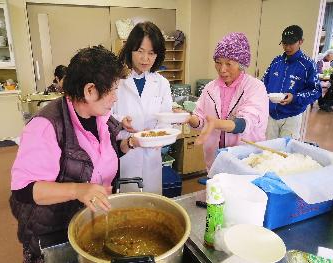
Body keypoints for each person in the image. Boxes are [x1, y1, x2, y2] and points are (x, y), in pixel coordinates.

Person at [9, 46, 137, 262]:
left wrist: (130, 143)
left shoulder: (101, 116)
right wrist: (79, 190)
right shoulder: (46, 125)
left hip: (86, 219)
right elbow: (23, 190)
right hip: (51, 230)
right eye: (113, 90)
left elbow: (101, 156)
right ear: (89, 91)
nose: (116, 97)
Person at [187, 32, 269, 171]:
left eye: (228, 64)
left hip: (246, 160)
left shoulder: (255, 87)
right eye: (218, 62)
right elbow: (201, 119)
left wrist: (216, 123)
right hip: (215, 160)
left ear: (241, 64)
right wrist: (189, 118)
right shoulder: (210, 88)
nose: (222, 69)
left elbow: (246, 121)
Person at [112, 21, 173, 194]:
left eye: (151, 53)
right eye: (140, 51)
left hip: (151, 155)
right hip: (124, 154)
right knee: (125, 208)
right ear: (130, 49)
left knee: (151, 206)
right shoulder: (116, 80)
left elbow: (166, 120)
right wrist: (121, 121)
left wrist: (155, 135)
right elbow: (105, 116)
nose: (145, 59)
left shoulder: (162, 83)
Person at [262, 25, 321, 140]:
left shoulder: (308, 65)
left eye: (291, 44)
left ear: (301, 41)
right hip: (271, 115)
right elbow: (263, 82)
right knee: (267, 151)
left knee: (286, 152)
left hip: (292, 116)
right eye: (284, 43)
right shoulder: (276, 61)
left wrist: (294, 97)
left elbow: (315, 91)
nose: (287, 47)